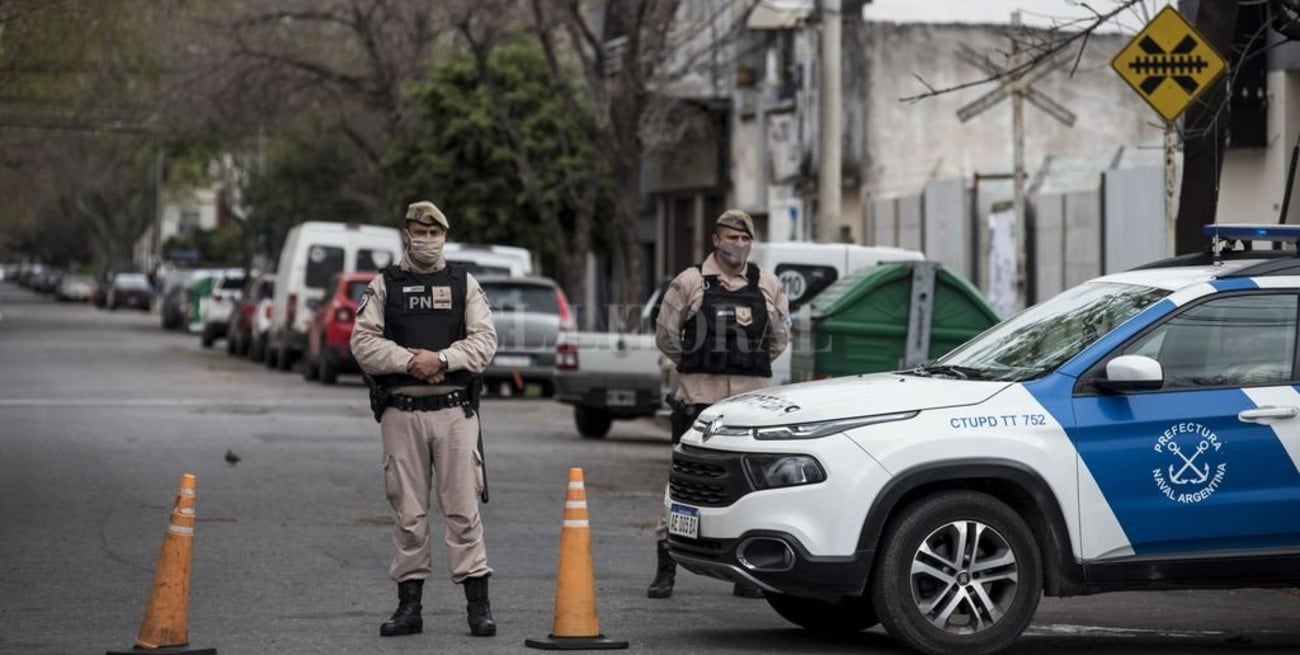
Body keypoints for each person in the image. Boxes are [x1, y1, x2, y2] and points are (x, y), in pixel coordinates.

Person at [351, 200, 499, 638]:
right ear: (405, 234)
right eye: (421, 233)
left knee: (463, 509)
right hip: (402, 412)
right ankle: (409, 608)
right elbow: (363, 344)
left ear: (445, 237)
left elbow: (486, 341)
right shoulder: (384, 286)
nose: (429, 241)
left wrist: (444, 358)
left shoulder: (462, 283)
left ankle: (479, 607)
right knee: (409, 512)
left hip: (454, 411)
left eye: (436, 234)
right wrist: (409, 361)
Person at [647, 209, 791, 599]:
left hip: (751, 405)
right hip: (699, 401)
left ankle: (748, 574)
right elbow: (666, 336)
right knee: (684, 484)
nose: (738, 245)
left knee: (752, 486)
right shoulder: (690, 282)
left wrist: (745, 370)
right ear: (716, 240)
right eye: (731, 237)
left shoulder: (767, 284)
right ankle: (666, 568)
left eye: (745, 239)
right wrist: (695, 365)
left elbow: (778, 340)